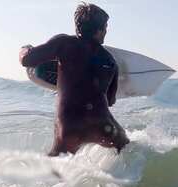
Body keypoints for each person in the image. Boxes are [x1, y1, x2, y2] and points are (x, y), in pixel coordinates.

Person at [19, 3, 129, 156]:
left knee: (54, 165)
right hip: (102, 124)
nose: (105, 31)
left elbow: (27, 60)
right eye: (105, 27)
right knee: (126, 147)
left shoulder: (64, 44)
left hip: (70, 126)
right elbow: (110, 100)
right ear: (99, 30)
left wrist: (25, 50)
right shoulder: (110, 61)